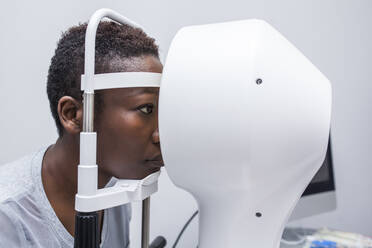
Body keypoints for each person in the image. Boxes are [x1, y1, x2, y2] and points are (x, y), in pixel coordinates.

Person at [0, 21, 163, 247]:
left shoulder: (115, 195)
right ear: (73, 114)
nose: (160, 134)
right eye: (146, 109)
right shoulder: (7, 214)